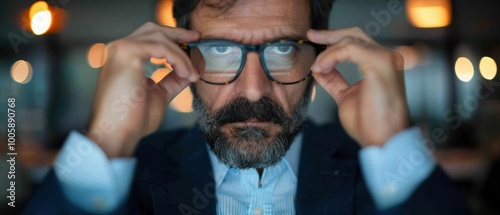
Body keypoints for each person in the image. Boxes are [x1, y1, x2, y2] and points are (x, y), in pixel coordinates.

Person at [24, 0, 470, 214]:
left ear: (321, 59)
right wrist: (107, 141)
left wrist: (392, 140)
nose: (254, 91)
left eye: (282, 51)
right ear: (182, 55)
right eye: (219, 51)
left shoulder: (382, 173)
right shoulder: (125, 174)